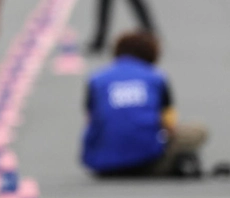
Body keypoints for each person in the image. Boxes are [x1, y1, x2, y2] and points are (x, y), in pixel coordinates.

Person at [81, 30, 213, 178]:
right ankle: (156, 166)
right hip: (146, 160)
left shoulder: (97, 79)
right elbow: (169, 125)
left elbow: (90, 120)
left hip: (103, 164)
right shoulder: (156, 78)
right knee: (198, 130)